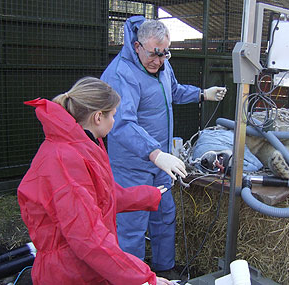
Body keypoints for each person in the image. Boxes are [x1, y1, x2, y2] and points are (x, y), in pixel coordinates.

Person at [100, 16, 227, 279]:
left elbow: (175, 91)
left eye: (164, 54)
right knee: (132, 224)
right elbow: (122, 124)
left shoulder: (162, 67)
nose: (158, 60)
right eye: (154, 54)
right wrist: (155, 153)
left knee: (164, 214)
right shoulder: (121, 73)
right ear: (137, 46)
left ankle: (164, 269)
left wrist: (203, 93)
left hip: (161, 161)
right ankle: (133, 279)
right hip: (132, 165)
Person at [17, 77, 173, 285]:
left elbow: (101, 196)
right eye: (113, 115)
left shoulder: (82, 145)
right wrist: (142, 278)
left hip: (85, 267)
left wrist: (150, 194)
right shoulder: (66, 159)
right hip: (70, 274)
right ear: (98, 117)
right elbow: (87, 236)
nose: (114, 122)